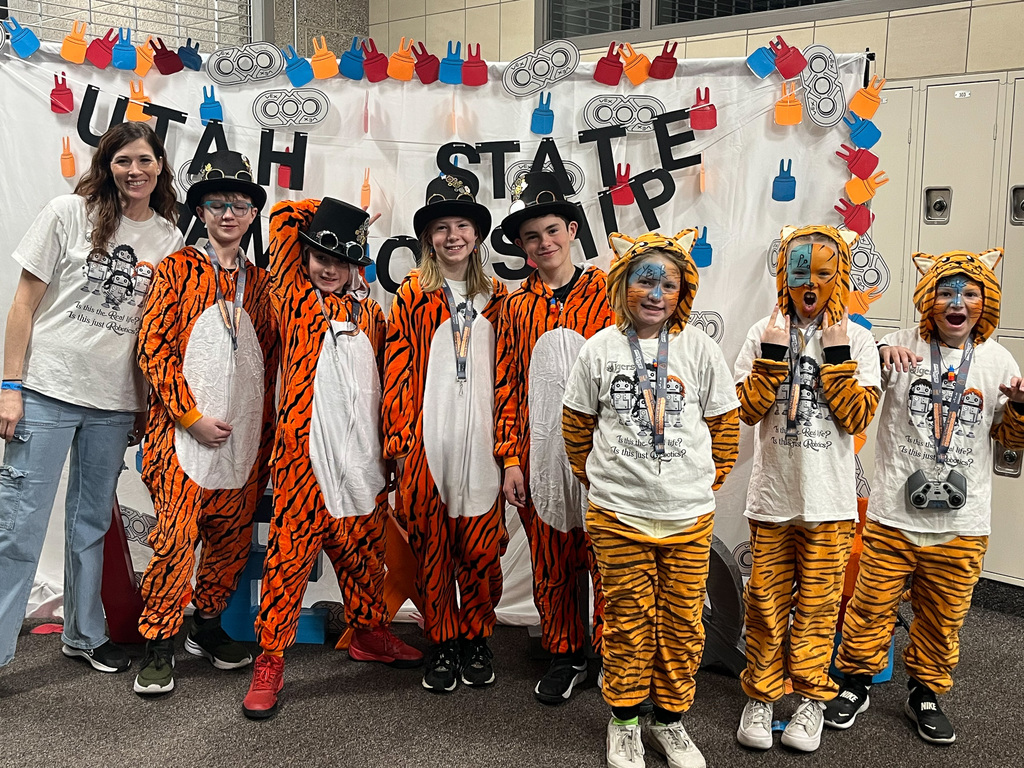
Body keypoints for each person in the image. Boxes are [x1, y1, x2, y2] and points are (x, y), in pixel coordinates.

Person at [0, 122, 182, 674]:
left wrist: (145, 404)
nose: (135, 171)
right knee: (19, 527)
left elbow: (154, 332)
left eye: (145, 160)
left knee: (91, 526)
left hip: (113, 401)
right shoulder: (66, 213)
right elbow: (23, 306)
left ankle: (83, 634)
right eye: (124, 160)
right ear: (108, 165)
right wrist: (9, 388)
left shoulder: (169, 239)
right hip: (47, 390)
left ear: (160, 168)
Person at [823, 248, 1024, 745]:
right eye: (945, 291)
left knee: (944, 613)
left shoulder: (998, 359)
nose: (957, 301)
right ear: (927, 298)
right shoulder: (895, 344)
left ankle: (925, 693)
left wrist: (1020, 409)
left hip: (963, 521)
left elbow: (1011, 442)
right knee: (870, 606)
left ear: (987, 301)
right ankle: (855, 683)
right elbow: (856, 410)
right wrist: (875, 362)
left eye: (970, 292)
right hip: (895, 514)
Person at [562, 229, 740, 768]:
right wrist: (603, 484)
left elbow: (725, 426)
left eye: (669, 282)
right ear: (623, 285)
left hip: (687, 517)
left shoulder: (700, 348)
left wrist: (701, 483)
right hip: (618, 516)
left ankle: (670, 722)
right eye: (645, 279)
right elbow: (576, 427)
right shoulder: (601, 348)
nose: (656, 293)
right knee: (627, 620)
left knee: (685, 622)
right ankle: (624, 723)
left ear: (684, 289)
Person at [241, 196, 422, 719]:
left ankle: (369, 633)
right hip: (304, 464)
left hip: (362, 464)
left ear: (356, 265)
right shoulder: (293, 300)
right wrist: (340, 214)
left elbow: (385, 386)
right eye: (320, 253)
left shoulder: (371, 313)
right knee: (287, 568)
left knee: (365, 561)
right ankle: (270, 660)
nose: (328, 266)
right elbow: (281, 219)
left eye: (340, 259)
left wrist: (391, 455)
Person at [133, 150, 279, 696]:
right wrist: (190, 418)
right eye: (216, 203)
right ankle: (158, 643)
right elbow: (154, 349)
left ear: (250, 215)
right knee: (175, 540)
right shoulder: (176, 270)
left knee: (229, 541)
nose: (228, 213)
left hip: (242, 443)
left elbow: (269, 356)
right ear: (201, 210)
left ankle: (209, 626)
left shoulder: (260, 284)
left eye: (239, 205)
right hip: (182, 437)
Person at [732, 225, 881, 752]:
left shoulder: (858, 338)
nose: (810, 283)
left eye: (822, 272)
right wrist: (771, 359)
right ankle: (763, 695)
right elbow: (744, 413)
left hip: (829, 504)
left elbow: (857, 416)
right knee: (766, 605)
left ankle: (813, 700)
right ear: (785, 276)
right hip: (773, 499)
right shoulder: (760, 331)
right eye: (800, 272)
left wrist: (838, 356)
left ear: (837, 274)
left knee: (818, 607)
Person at [382, 173, 508, 694]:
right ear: (428, 237)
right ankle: (443, 638)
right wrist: (400, 442)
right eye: (440, 227)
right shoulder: (414, 293)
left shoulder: (499, 295)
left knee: (480, 551)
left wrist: (510, 446)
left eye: (460, 225)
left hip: (483, 445)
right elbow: (398, 369)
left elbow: (511, 376)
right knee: (432, 550)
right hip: (429, 443)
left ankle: (476, 635)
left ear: (475, 234)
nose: (452, 235)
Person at [494, 171, 611, 704]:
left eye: (552, 231)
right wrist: (510, 459)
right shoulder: (516, 308)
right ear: (522, 247)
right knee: (552, 562)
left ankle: (613, 658)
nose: (544, 244)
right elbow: (508, 386)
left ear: (570, 230)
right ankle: (565, 653)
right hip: (541, 458)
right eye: (532, 237)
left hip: (605, 460)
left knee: (609, 561)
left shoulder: (610, 293)